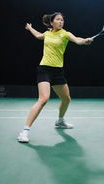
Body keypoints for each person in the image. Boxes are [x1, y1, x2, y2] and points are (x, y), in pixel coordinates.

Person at [17, 12, 93, 143]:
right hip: (44, 69)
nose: (61, 22)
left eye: (62, 20)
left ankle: (60, 121)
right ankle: (24, 131)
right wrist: (30, 28)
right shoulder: (47, 34)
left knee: (66, 99)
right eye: (58, 20)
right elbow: (38, 35)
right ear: (52, 22)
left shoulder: (65, 34)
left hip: (58, 71)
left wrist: (84, 41)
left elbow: (77, 40)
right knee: (44, 99)